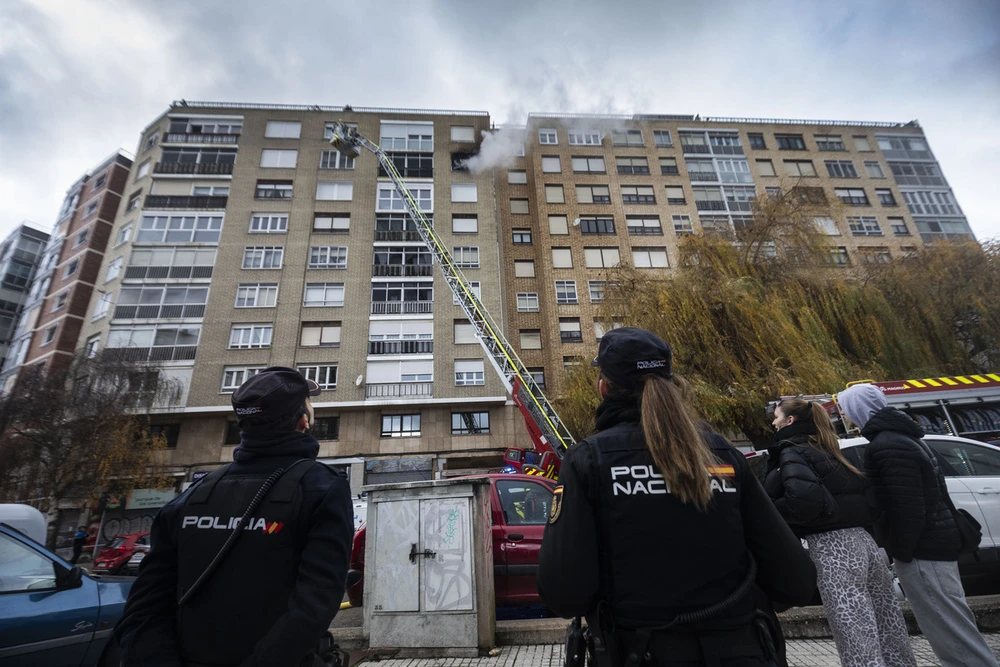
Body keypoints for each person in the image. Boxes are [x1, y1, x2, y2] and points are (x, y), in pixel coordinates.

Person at [537, 328, 816, 667]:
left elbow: (564, 593)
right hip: (743, 649)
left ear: (604, 387)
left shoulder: (588, 460)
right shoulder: (722, 454)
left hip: (640, 652)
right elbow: (796, 582)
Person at [117, 367, 354, 667]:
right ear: (304, 421)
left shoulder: (194, 494)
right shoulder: (323, 487)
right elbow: (314, 605)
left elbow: (144, 607)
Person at [838, 383, 998, 667]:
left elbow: (907, 507)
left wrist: (901, 549)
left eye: (846, 408)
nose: (844, 415)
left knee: (948, 629)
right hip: (934, 545)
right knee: (953, 623)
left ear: (858, 409)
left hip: (924, 550)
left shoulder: (887, 444)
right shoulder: (903, 437)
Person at [764, 398, 916, 667]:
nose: (773, 422)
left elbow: (804, 503)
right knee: (886, 621)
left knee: (854, 629)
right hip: (864, 543)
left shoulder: (792, 451)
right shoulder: (827, 448)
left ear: (790, 421)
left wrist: (769, 510)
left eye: (776, 417)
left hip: (833, 548)